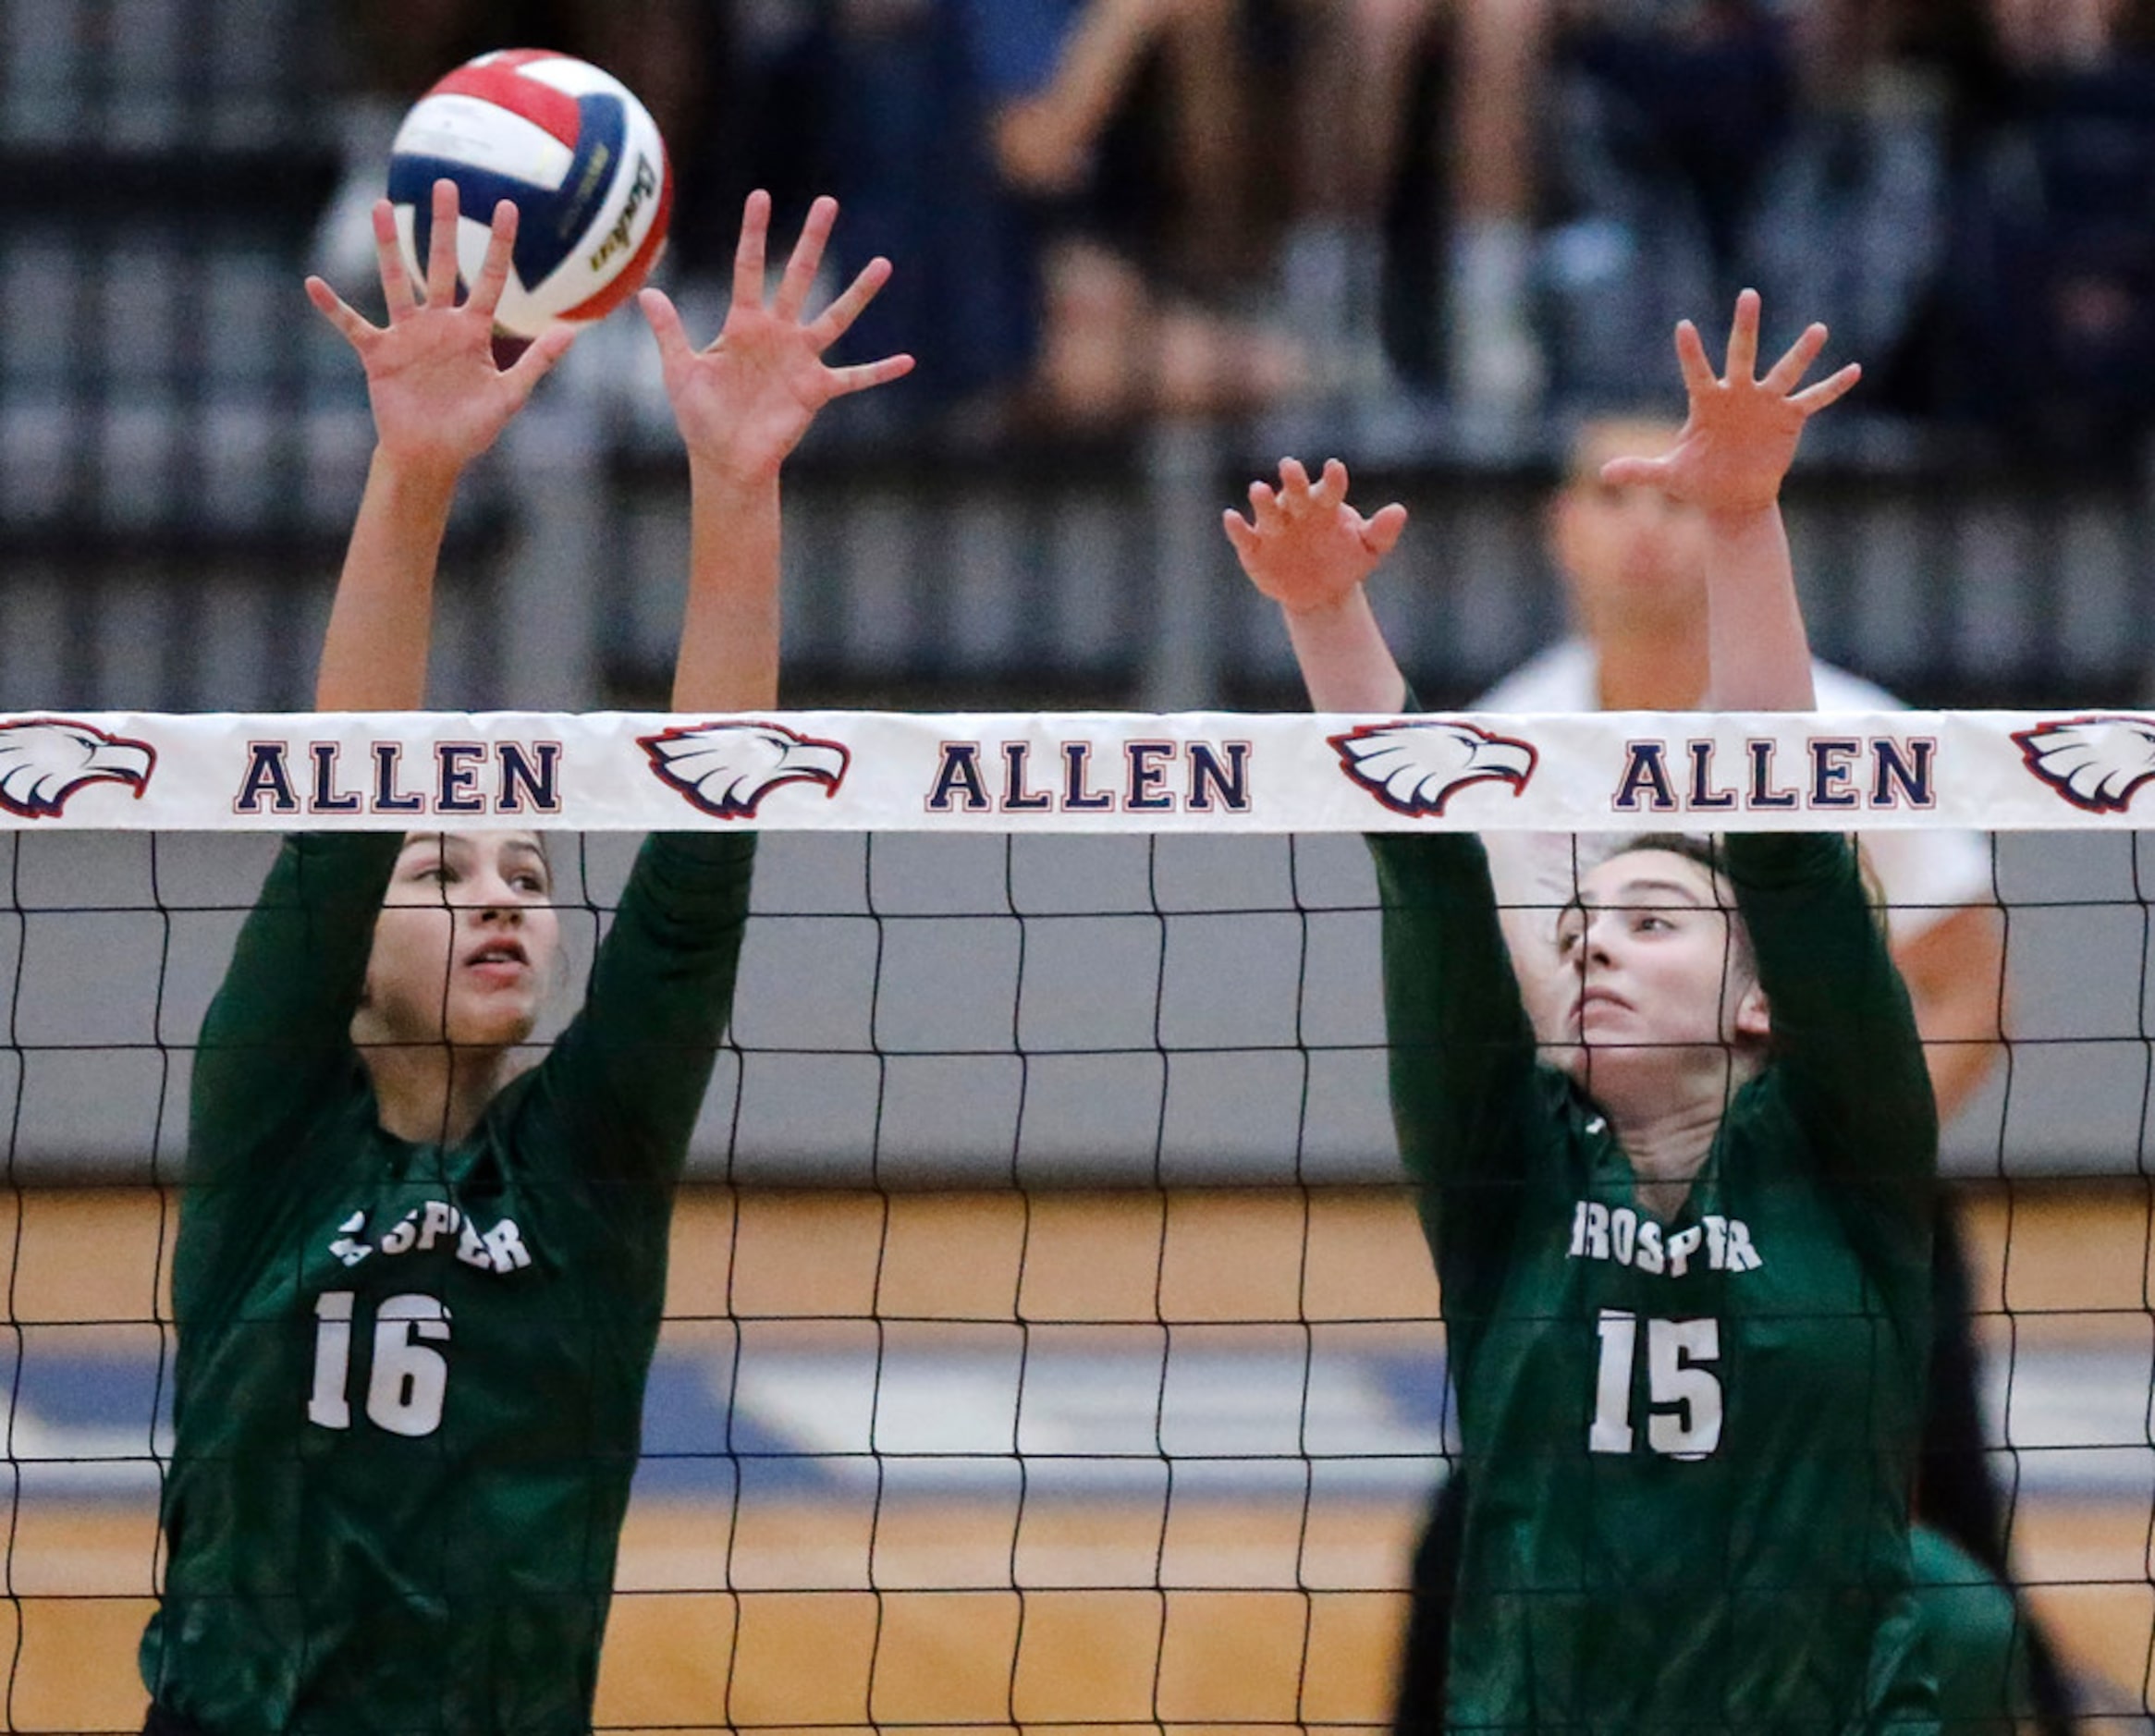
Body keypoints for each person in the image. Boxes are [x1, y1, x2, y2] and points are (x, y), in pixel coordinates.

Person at [138, 181, 911, 1735]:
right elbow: (341, 802)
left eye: (528, 869)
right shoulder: (270, 1131)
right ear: (347, 957)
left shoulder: (586, 1170)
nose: (501, 893)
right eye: (446, 868)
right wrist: (415, 473)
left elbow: (698, 871)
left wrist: (737, 484)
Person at [1225, 292, 1945, 1730]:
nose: (1596, 949)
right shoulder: (1515, 1173)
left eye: (1657, 921)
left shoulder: (1849, 1155)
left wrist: (1743, 521)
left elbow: (1787, 836)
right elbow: (1427, 875)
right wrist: (1326, 615)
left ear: (1759, 1004)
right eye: (1584, 927)